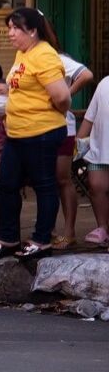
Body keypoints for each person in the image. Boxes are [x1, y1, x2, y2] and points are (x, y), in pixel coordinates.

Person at [0, 8, 70, 260]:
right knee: (6, 184)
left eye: (15, 28)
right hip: (17, 132)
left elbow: (62, 97)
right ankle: (8, 238)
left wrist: (48, 112)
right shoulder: (24, 53)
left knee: (44, 185)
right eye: (9, 27)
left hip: (41, 132)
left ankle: (42, 240)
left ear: (32, 31)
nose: (10, 33)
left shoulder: (44, 55)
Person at [55, 50, 94, 249]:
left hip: (62, 128)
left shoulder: (56, 58)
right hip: (37, 127)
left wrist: (64, 95)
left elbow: (86, 75)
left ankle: (69, 233)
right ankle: (49, 231)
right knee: (46, 181)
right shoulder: (24, 59)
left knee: (62, 179)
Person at [75, 76, 109, 248]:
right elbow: (90, 117)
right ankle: (102, 227)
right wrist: (78, 143)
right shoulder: (104, 83)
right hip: (99, 148)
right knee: (96, 186)